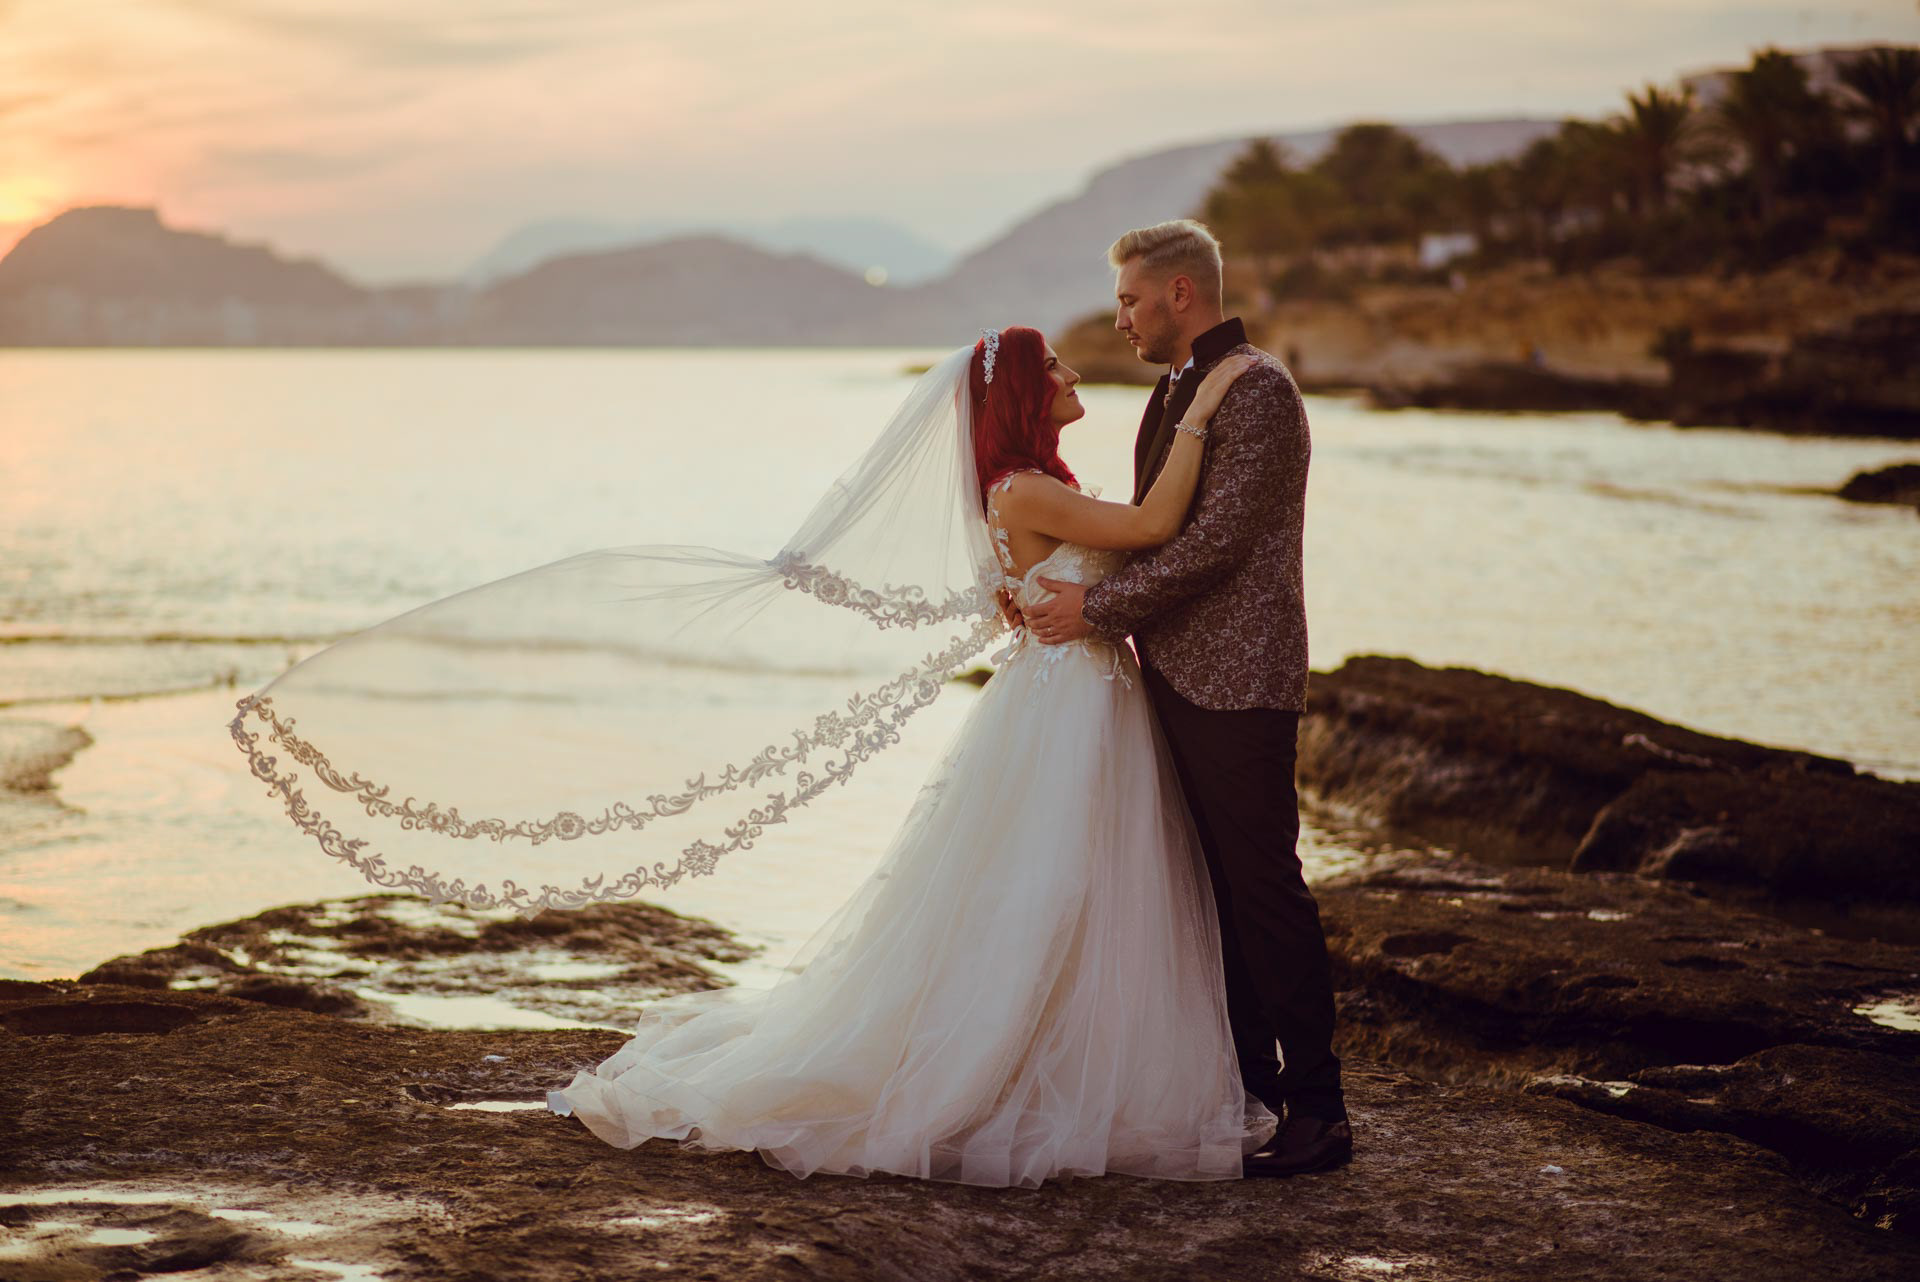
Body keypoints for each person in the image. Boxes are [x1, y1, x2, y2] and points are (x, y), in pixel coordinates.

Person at [544, 327, 1275, 1187]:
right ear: (1020, 399)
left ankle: (1067, 1046)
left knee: (1071, 880)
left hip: (1072, 690)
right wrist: (1202, 412)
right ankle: (1032, 1063)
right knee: (1063, 877)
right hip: (1073, 696)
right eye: (1054, 368)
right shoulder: (1027, 489)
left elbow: (1051, 573)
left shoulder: (1023, 489)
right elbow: (1155, 525)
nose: (1073, 372)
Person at [1022, 219, 1352, 1177]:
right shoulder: (1174, 388)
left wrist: (1096, 609)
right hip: (1170, 675)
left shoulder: (1255, 391)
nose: (1118, 318)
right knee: (1207, 895)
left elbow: (1215, 546)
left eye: (1129, 300)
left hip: (1241, 679)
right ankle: (1250, 1093)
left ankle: (1321, 1110)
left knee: (1264, 889)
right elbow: (1145, 530)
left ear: (1180, 293)